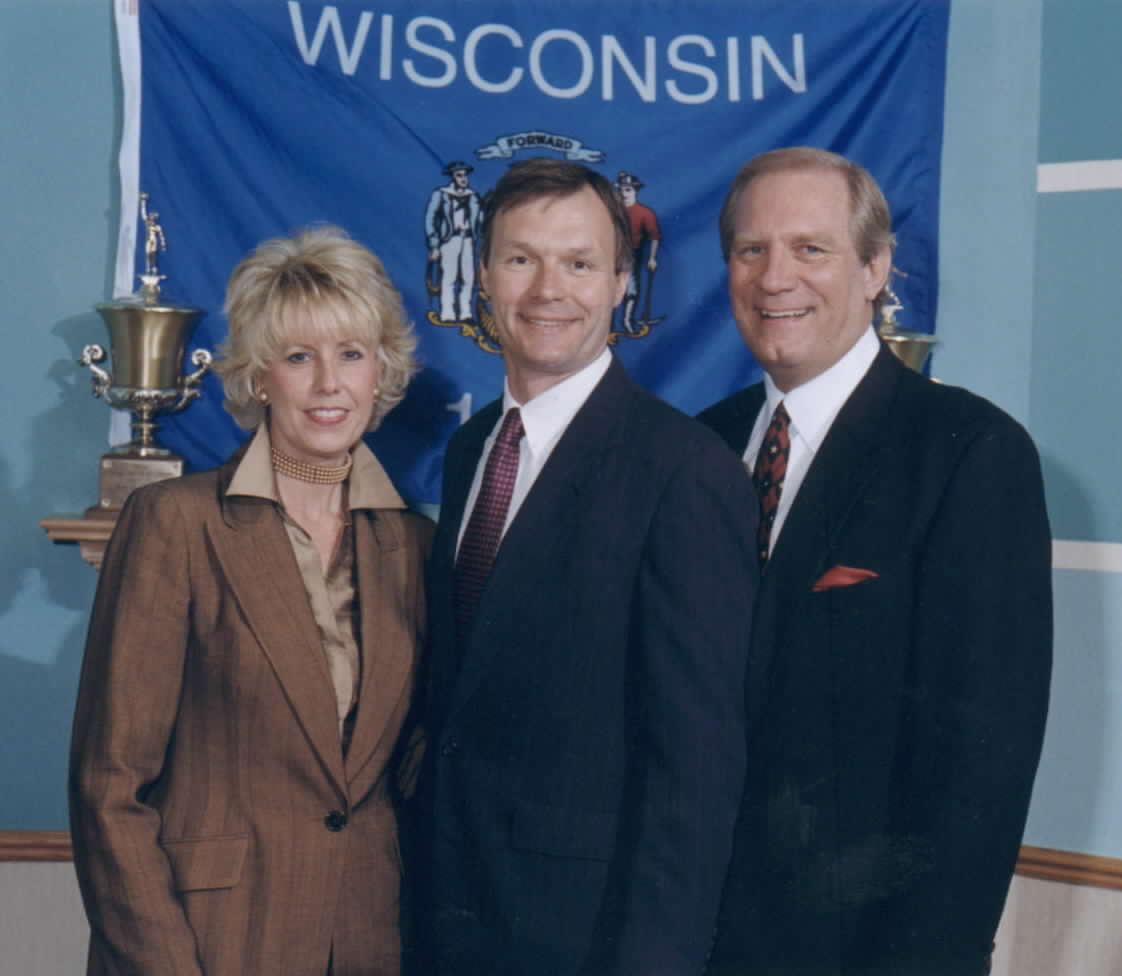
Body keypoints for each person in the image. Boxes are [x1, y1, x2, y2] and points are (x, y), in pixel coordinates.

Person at [698, 147, 1052, 976]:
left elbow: (982, 765)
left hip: (863, 952)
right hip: (689, 941)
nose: (775, 277)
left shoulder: (970, 452)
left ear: (875, 269)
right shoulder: (699, 447)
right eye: (752, 250)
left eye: (810, 248)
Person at [413, 158, 757, 976]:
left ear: (618, 282)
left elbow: (697, 762)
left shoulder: (684, 470)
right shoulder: (471, 449)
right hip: (443, 918)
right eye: (522, 258)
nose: (547, 290)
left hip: (585, 940)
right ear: (485, 276)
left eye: (578, 263)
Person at [69, 226, 430, 976]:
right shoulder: (176, 523)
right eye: (301, 357)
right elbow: (111, 787)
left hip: (369, 944)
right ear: (261, 376)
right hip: (211, 942)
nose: (330, 383)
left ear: (382, 373)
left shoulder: (415, 548)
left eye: (352, 355)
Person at [425, 161, 483, 324]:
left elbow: (479, 219)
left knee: (468, 278)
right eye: (459, 175)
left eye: (464, 175)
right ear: (453, 177)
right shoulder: (441, 194)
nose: (463, 178)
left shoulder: (473, 196)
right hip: (450, 239)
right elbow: (430, 219)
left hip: (468, 239)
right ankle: (447, 313)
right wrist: (434, 244)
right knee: (449, 277)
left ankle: (465, 312)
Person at [614, 172, 660, 333]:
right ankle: (606, 327)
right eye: (621, 190)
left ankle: (627, 320)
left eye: (627, 190)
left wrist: (652, 258)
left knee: (631, 289)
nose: (624, 194)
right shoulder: (610, 211)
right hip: (609, 254)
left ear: (635, 191)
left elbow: (654, 237)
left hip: (632, 254)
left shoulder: (645, 213)